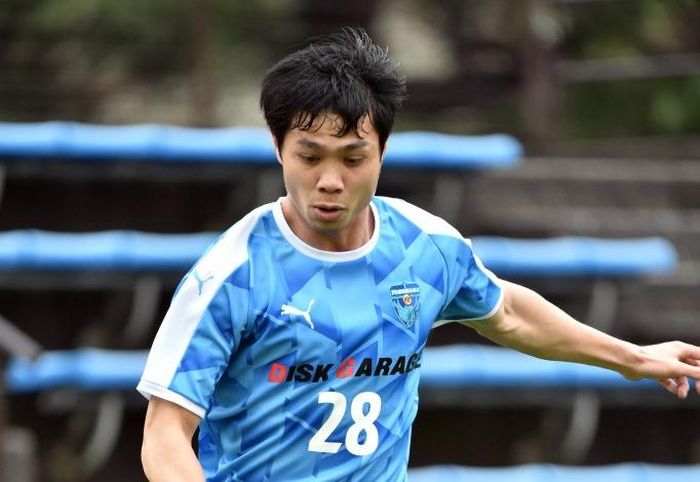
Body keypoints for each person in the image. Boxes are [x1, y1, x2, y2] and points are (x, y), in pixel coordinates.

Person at [138, 28, 700, 482]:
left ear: (383, 151)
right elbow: (164, 437)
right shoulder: (231, 274)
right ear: (278, 148)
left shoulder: (424, 247)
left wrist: (632, 358)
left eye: (352, 158)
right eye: (309, 157)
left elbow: (507, 311)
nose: (329, 180)